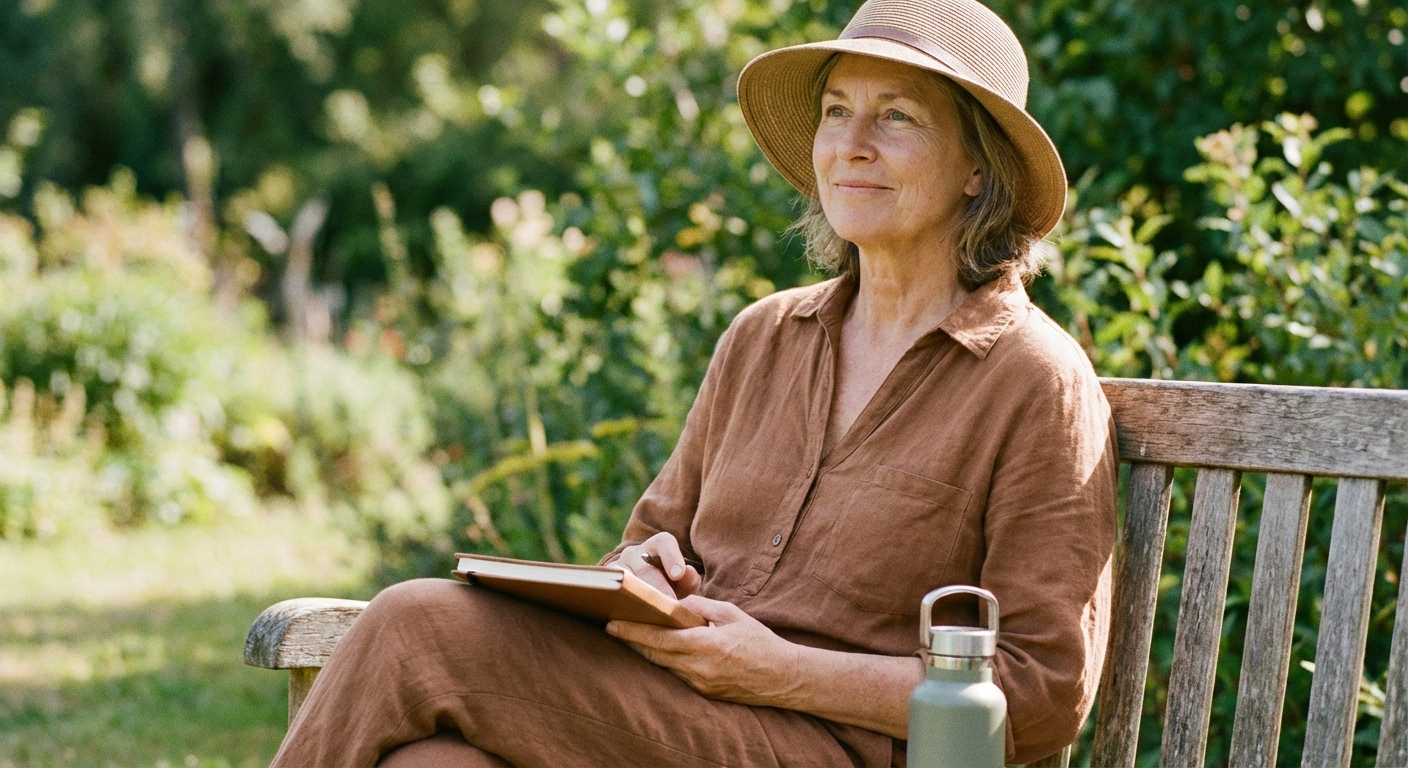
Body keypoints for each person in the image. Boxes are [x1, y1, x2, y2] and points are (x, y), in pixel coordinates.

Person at [270, 0, 1117, 765]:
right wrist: (643, 569)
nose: (850, 145)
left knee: (419, 626)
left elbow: (1042, 698)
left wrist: (785, 673)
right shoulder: (763, 339)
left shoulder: (1035, 382)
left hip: (839, 749)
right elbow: (643, 546)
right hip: (679, 717)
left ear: (979, 169)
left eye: (896, 118)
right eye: (835, 112)